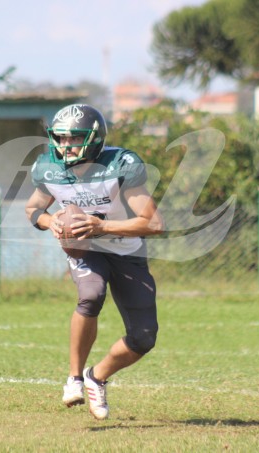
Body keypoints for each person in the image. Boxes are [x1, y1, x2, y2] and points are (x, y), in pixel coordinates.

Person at [25, 104, 164, 420]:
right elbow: (33, 209)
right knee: (91, 294)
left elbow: (154, 223)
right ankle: (74, 377)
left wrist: (102, 226)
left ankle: (95, 376)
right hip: (86, 250)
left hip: (125, 248)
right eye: (59, 138)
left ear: (94, 138)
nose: (65, 146)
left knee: (144, 338)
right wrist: (51, 222)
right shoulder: (49, 167)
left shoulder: (120, 164)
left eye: (74, 138)